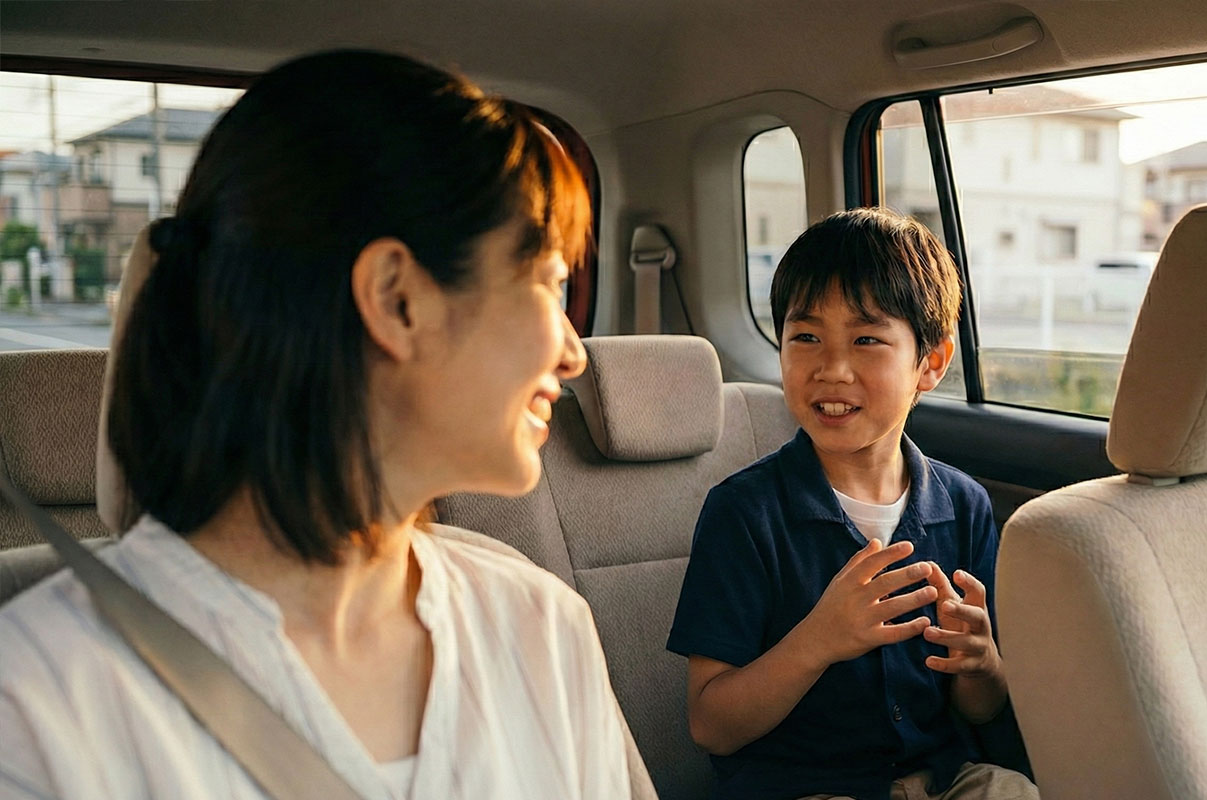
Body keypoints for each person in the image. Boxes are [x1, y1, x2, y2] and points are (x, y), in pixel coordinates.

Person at [0, 50, 634, 799]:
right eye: (551, 284)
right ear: (398, 299)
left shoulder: (540, 627)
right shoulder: (40, 703)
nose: (574, 354)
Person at [667, 208, 1038, 800]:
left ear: (931, 364)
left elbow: (979, 708)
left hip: (941, 780)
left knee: (1011, 788)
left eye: (867, 340)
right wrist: (818, 640)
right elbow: (711, 724)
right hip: (800, 787)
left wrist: (982, 665)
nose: (832, 369)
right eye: (806, 338)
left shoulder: (964, 505)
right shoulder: (745, 513)